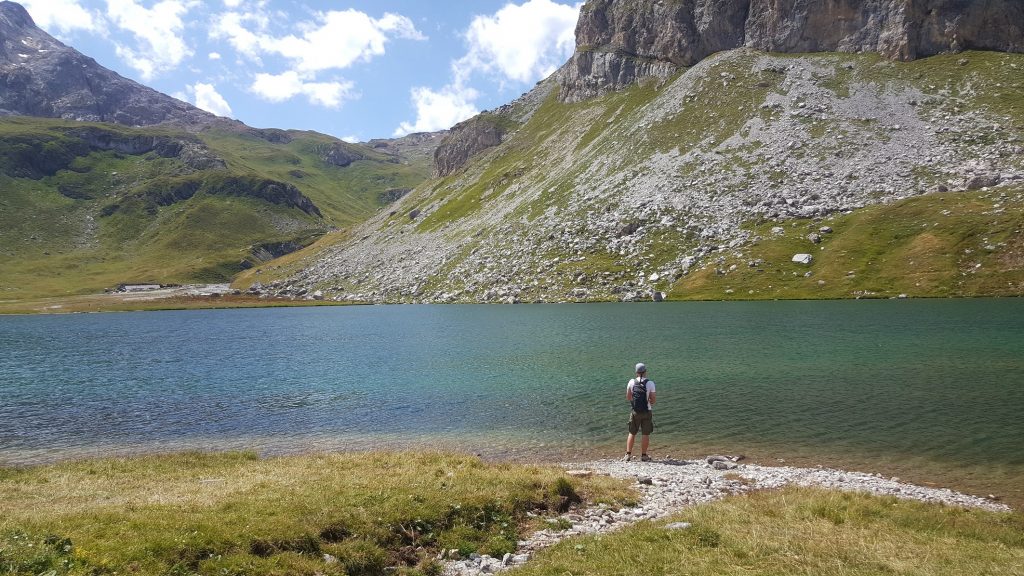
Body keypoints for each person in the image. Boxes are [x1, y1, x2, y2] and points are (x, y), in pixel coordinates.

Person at [624, 362, 656, 462]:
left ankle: (628, 455)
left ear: (636, 372)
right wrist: (648, 401)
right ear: (645, 372)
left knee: (632, 433)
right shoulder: (650, 383)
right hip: (647, 411)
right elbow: (653, 400)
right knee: (645, 434)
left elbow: (628, 397)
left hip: (635, 412)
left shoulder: (631, 382)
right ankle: (643, 455)